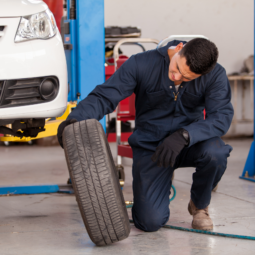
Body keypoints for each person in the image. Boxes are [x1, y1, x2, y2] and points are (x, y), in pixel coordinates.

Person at [57, 38, 233, 232]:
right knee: (149, 222)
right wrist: (75, 120)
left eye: (186, 78)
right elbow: (106, 96)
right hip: (152, 146)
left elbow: (221, 118)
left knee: (216, 153)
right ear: (179, 49)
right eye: (176, 69)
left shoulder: (215, 74)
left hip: (188, 143)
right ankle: (161, 180)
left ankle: (199, 205)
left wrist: (185, 135)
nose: (176, 78)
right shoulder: (141, 63)